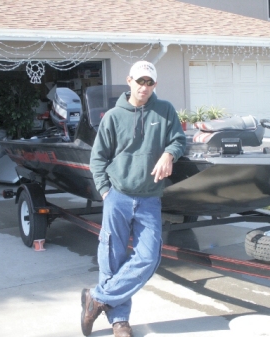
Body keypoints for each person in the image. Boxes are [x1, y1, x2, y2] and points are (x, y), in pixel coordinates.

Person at [81, 60, 186, 337]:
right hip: (119, 195)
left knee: (149, 258)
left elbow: (179, 139)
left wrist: (169, 154)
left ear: (155, 85)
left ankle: (98, 297)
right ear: (129, 81)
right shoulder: (114, 116)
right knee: (111, 257)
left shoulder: (164, 111)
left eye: (149, 82)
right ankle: (120, 321)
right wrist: (105, 191)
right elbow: (98, 158)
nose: (144, 87)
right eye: (140, 81)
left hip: (150, 198)